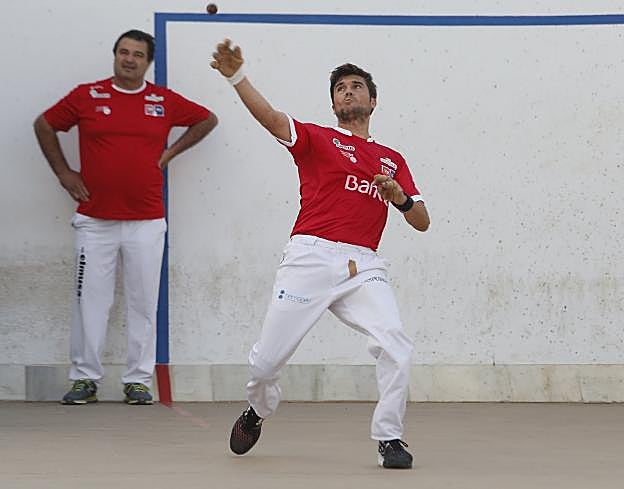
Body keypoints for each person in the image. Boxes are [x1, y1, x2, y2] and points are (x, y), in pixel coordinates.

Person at [210, 39, 430, 469]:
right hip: (309, 257)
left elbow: (421, 220)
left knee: (396, 346)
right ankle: (257, 409)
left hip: (364, 265)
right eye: (340, 88)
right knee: (266, 364)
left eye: (356, 86)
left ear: (373, 100)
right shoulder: (317, 138)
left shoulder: (392, 159)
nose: (348, 92)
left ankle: (389, 438)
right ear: (333, 104)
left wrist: (400, 197)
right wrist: (237, 77)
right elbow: (272, 119)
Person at [34, 29, 218, 405]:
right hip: (94, 221)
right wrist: (63, 173)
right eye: (123, 52)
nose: (129, 59)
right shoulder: (87, 95)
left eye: (137, 54)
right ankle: (85, 378)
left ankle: (138, 380)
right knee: (90, 303)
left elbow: (207, 119)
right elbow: (44, 124)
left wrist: (170, 153)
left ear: (148, 62)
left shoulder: (162, 100)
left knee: (143, 302)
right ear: (115, 55)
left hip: (147, 220)